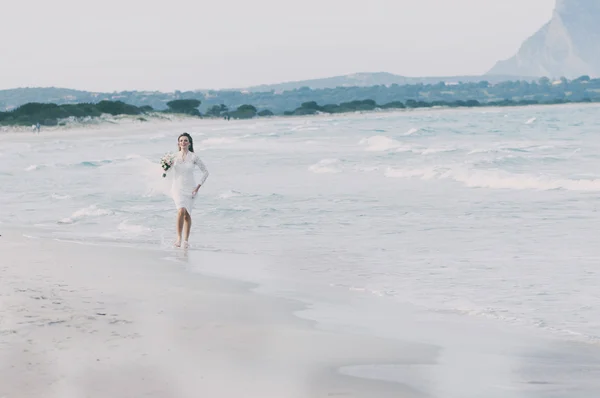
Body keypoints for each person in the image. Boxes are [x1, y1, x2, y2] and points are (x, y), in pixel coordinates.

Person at [170, 132, 209, 248]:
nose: (183, 142)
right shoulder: (173, 156)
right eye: (181, 140)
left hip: (191, 189)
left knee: (187, 214)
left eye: (185, 140)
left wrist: (198, 186)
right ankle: (178, 238)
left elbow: (206, 172)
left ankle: (186, 240)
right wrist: (165, 166)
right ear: (178, 143)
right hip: (177, 188)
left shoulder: (194, 157)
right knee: (181, 210)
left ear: (189, 143)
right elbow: (166, 171)